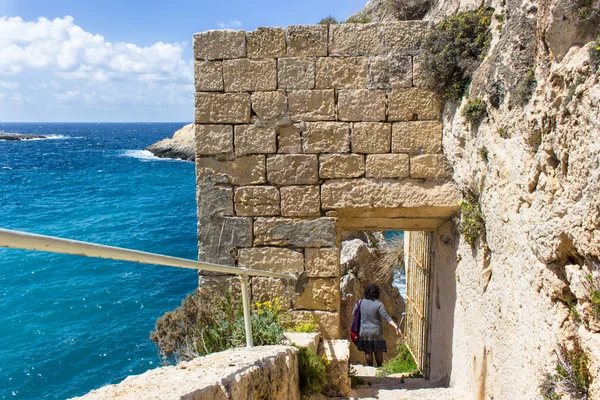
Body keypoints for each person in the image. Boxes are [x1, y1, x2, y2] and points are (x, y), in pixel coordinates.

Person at [352, 284, 400, 368]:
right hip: (376, 332)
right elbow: (386, 317)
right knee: (378, 351)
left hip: (364, 331)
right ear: (377, 293)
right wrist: (395, 326)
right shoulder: (379, 304)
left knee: (368, 351)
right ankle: (380, 367)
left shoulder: (360, 302)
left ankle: (370, 368)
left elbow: (354, 314)